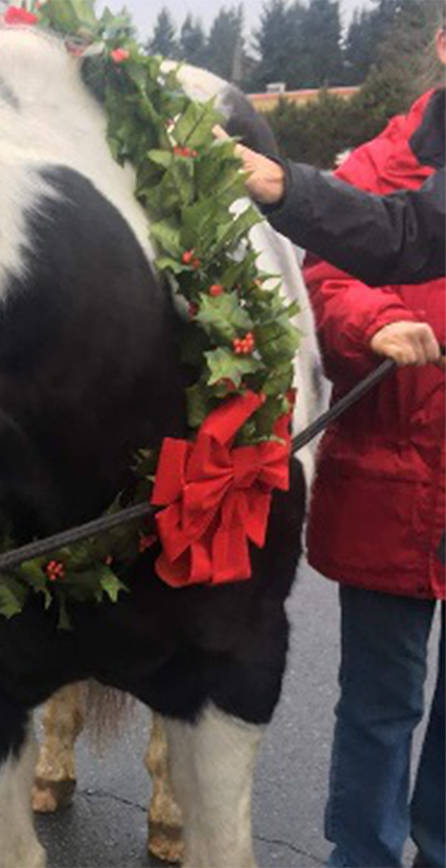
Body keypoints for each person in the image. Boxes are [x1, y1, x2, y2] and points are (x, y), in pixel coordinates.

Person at [285, 71, 444, 867]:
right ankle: (364, 856)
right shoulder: (376, 168)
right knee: (382, 703)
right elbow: (324, 278)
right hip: (397, 475)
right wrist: (377, 322)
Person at [232, 27, 445, 290]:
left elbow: (406, 235)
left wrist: (284, 185)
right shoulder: (378, 164)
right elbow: (405, 236)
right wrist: (382, 323)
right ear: (443, 45)